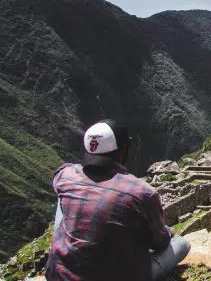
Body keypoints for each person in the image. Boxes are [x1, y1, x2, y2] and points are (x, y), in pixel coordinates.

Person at [46, 119, 190, 281]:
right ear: (123, 150)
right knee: (181, 244)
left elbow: (59, 176)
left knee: (62, 199)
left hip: (59, 275)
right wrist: (166, 230)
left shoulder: (64, 175)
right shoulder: (142, 193)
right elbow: (160, 243)